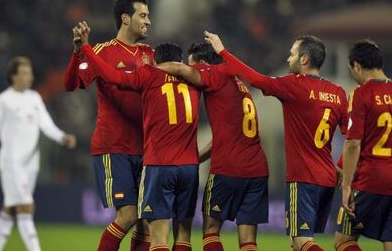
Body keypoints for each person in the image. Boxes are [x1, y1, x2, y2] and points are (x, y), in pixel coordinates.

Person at [203, 31, 348, 251]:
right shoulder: (338, 93)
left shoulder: (294, 85)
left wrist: (223, 52)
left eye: (292, 54)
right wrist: (340, 166)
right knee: (296, 243)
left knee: (301, 240)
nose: (287, 59)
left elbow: (255, 79)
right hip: (328, 179)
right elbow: (354, 136)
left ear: (304, 59)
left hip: (304, 178)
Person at [74, 21, 200, 251]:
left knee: (155, 233)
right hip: (190, 166)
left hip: (158, 163)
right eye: (143, 15)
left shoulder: (149, 77)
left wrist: (86, 49)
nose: (148, 20)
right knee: (181, 234)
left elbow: (113, 76)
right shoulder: (195, 82)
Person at [157, 43, 269, 251]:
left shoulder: (214, 75)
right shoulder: (239, 85)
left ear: (203, 64)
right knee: (248, 240)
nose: (190, 73)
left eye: (193, 67)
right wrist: (194, 158)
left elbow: (180, 69)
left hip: (228, 168)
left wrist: (145, 70)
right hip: (257, 170)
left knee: (210, 230)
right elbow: (224, 138)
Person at [65, 0, 154, 251]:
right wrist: (77, 53)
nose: (149, 20)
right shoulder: (103, 51)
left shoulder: (151, 54)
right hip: (114, 147)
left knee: (145, 222)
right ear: (126, 18)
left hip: (146, 149)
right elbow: (71, 84)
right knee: (127, 216)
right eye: (143, 15)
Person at [0, 56, 76, 251]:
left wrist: (61, 136)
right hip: (11, 163)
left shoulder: (34, 98)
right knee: (26, 208)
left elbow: (46, 124)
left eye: (29, 73)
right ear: (13, 76)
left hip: (31, 163)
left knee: (11, 209)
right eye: (23, 73)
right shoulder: (2, 101)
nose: (28, 76)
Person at [335, 40, 392, 251]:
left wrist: (347, 185)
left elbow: (352, 144)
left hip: (371, 180)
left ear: (357, 66)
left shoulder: (362, 93)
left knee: (344, 241)